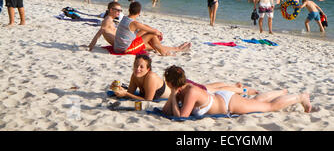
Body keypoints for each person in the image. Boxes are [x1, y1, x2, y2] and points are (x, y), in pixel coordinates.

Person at [162, 65, 313, 118]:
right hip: (222, 99)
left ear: (172, 84)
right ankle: (281, 92)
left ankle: (301, 97)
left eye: (168, 84)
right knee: (255, 101)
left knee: (269, 107)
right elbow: (166, 111)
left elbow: (181, 117)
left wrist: (173, 96)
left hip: (229, 103)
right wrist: (173, 96)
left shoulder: (191, 91)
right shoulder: (181, 89)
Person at [111, 55, 259, 101]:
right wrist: (121, 91)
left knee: (211, 90)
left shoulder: (150, 77)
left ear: (148, 69)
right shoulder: (134, 75)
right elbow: (130, 92)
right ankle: (231, 85)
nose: (138, 68)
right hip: (183, 85)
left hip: (184, 88)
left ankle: (241, 89)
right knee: (208, 86)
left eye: (141, 66)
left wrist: (126, 94)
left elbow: (148, 100)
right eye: (136, 65)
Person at [114, 1, 191, 56]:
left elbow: (145, 27)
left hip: (118, 47)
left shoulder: (125, 18)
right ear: (139, 12)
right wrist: (159, 34)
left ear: (129, 10)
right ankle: (164, 52)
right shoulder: (135, 23)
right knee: (152, 34)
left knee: (147, 30)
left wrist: (154, 32)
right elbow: (153, 31)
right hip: (126, 49)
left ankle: (174, 48)